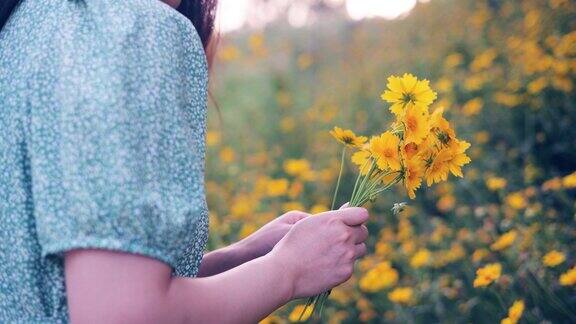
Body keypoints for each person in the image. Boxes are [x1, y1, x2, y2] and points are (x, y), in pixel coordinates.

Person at [0, 0, 369, 323]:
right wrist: (287, 270)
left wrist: (244, 256)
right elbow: (120, 316)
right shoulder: (130, 29)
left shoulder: (32, 24)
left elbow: (69, 289)